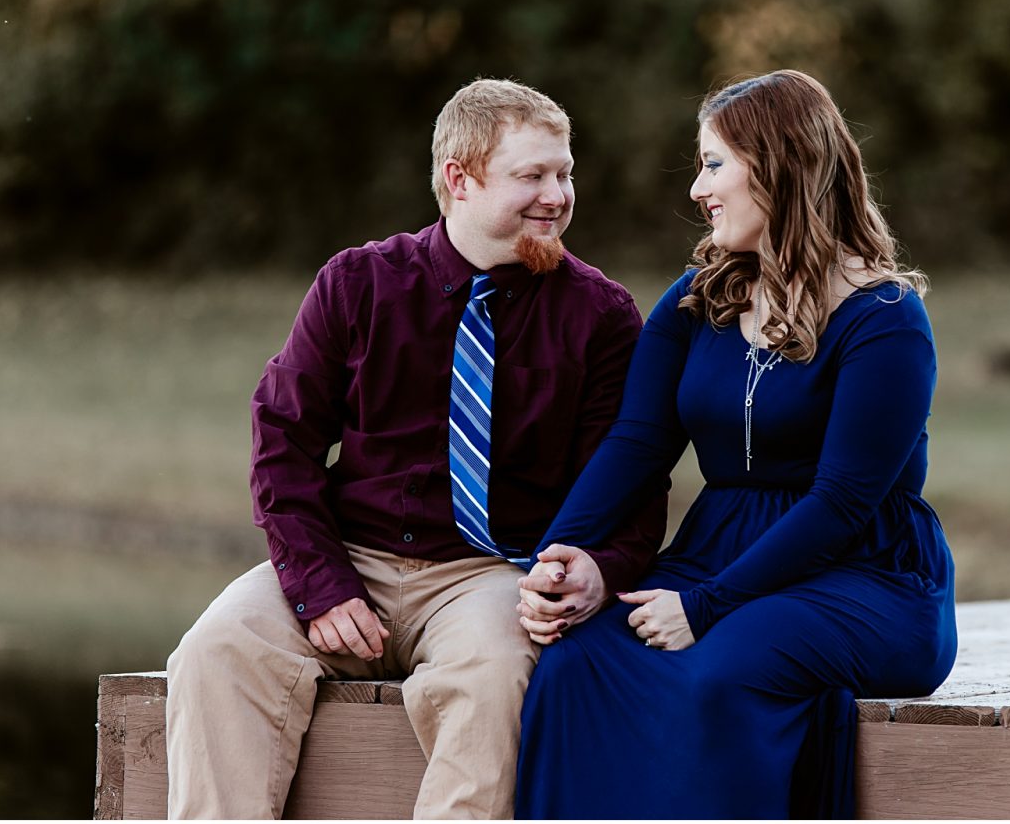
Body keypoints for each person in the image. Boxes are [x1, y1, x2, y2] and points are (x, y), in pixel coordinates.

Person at [164, 78, 667, 819]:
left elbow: (627, 479)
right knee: (215, 650)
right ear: (459, 180)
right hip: (349, 554)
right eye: (531, 176)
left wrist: (597, 565)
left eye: (563, 174)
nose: (557, 196)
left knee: (492, 679)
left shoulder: (600, 315)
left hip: (490, 572)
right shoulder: (358, 284)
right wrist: (321, 583)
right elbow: (283, 439)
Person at [513, 70, 957, 818]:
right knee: (577, 656)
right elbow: (637, 442)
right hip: (718, 548)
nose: (697, 189)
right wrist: (563, 553)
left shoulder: (884, 318)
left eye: (714, 164)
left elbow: (844, 502)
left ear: (781, 168)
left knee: (725, 667)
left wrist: (709, 604)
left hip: (862, 573)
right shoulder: (699, 298)